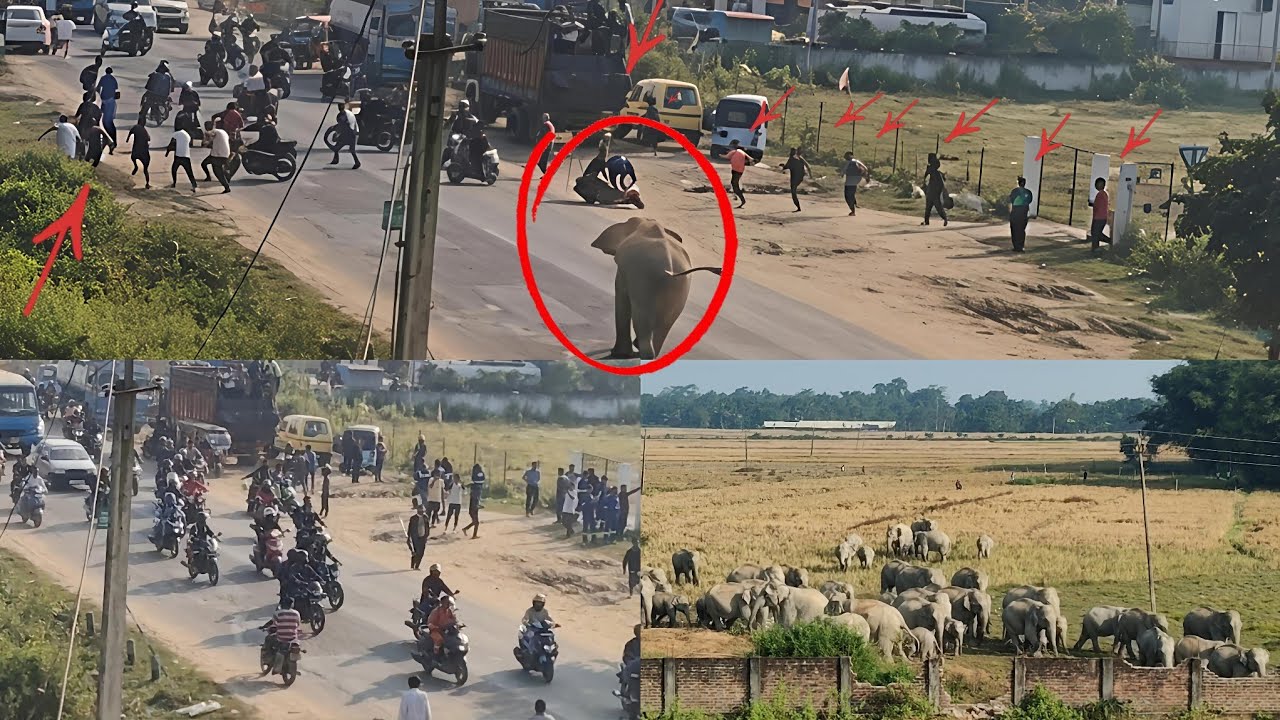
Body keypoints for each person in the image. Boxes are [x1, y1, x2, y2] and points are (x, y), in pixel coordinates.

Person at [261, 596, 302, 673]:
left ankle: (268, 657)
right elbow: (298, 623)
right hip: (293, 638)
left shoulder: (278, 613)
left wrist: (267, 628)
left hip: (281, 638)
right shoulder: (297, 613)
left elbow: (274, 624)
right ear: (292, 604)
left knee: (268, 639)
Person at [201, 119, 231, 193]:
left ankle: (227, 187)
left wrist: (205, 139)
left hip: (218, 155)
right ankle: (209, 177)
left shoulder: (212, 132)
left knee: (218, 172)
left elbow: (206, 142)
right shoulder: (223, 132)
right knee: (204, 163)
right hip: (224, 154)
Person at [166, 127, 197, 193]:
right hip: (186, 156)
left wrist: (167, 152)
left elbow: (172, 143)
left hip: (178, 156)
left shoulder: (176, 134)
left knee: (174, 170)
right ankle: (194, 185)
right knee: (189, 172)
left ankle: (174, 183)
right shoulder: (187, 135)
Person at [779, 147, 811, 212]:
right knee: (794, 191)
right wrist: (810, 174)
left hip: (794, 178)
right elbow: (807, 166)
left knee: (793, 192)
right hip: (800, 177)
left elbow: (786, 167)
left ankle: (798, 207)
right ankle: (798, 207)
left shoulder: (791, 159)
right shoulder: (799, 158)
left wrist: (782, 166)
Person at [330, 102, 360, 169]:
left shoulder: (347, 115)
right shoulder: (340, 115)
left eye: (341, 106)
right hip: (346, 134)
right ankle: (336, 159)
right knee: (337, 147)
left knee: (351, 150)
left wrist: (336, 131)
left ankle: (357, 162)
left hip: (350, 134)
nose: (340, 108)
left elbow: (343, 125)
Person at [1008, 176, 1034, 252]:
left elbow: (1011, 200)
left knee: (1014, 229)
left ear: (1018, 183)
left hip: (1016, 211)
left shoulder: (1015, 191)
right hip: (1024, 211)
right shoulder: (1028, 192)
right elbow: (1030, 200)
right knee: (1021, 229)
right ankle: (1021, 245)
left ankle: (1016, 246)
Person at [922, 153, 948, 227]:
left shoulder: (930, 169)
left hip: (932, 190)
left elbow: (926, 179)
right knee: (936, 206)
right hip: (935, 190)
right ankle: (944, 218)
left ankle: (927, 221)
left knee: (929, 207)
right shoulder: (937, 172)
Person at [125, 119, 152, 188]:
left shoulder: (136, 127)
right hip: (144, 152)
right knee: (145, 169)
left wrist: (128, 138)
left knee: (133, 157)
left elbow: (131, 132)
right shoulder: (144, 130)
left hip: (136, 150)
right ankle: (147, 183)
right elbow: (149, 139)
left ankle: (135, 166)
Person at [97, 68, 120, 148]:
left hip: (104, 101)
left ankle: (111, 140)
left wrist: (99, 97)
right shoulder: (113, 79)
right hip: (111, 101)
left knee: (106, 122)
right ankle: (112, 140)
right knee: (109, 122)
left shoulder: (103, 78)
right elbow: (116, 89)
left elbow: (98, 88)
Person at [726, 140, 752, 208]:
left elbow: (726, 157)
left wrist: (720, 155)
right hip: (738, 170)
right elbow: (750, 159)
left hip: (737, 170)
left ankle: (742, 199)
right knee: (734, 184)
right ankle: (737, 196)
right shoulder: (740, 151)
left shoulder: (736, 151)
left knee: (735, 184)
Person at [1089, 176, 1111, 253]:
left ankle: (1109, 241)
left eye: (1098, 184)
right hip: (1101, 217)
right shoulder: (1103, 194)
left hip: (1099, 217)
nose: (1097, 185)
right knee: (1096, 233)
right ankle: (1095, 247)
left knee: (1096, 233)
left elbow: (1099, 207)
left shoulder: (1101, 194)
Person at [842, 152, 868, 217]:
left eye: (846, 155)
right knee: (851, 194)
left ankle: (853, 210)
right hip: (854, 181)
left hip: (850, 181)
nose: (845, 157)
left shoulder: (850, 162)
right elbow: (865, 169)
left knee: (847, 195)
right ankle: (854, 204)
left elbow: (844, 171)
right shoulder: (857, 162)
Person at [460, 465, 483, 538]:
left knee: (475, 522)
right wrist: (478, 505)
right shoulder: (477, 489)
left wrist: (463, 485)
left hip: (472, 508)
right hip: (473, 508)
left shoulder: (473, 486)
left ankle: (465, 529)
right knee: (476, 522)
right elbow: (475, 501)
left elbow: (466, 486)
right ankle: (473, 535)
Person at [407, 498, 429, 569]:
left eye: (423, 511)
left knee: (421, 553)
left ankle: (417, 566)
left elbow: (427, 528)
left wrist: (426, 536)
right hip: (415, 537)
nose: (422, 512)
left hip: (423, 537)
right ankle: (413, 565)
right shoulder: (413, 518)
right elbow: (409, 528)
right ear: (418, 511)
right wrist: (409, 537)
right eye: (420, 511)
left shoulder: (426, 517)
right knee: (415, 552)